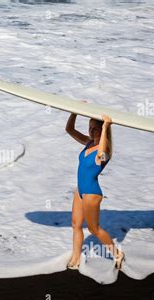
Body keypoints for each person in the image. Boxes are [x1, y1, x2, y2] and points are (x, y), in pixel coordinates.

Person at [65, 110, 125, 271]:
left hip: (92, 193)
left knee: (93, 229)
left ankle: (117, 253)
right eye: (90, 127)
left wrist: (106, 126)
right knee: (75, 224)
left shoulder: (104, 152)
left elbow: (101, 153)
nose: (91, 131)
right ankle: (76, 258)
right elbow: (69, 130)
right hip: (80, 190)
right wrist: (74, 112)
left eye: (95, 129)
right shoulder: (88, 142)